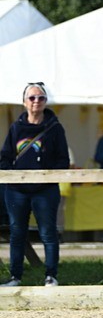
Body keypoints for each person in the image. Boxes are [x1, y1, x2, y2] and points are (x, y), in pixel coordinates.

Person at [1, 82, 70, 287]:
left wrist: (47, 174)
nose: (36, 102)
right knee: (17, 234)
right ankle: (16, 277)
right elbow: (5, 157)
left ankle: (51, 275)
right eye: (32, 98)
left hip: (45, 190)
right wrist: (13, 175)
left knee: (48, 233)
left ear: (46, 102)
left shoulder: (55, 128)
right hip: (17, 191)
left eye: (40, 98)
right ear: (24, 102)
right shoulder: (16, 128)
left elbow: (63, 160)